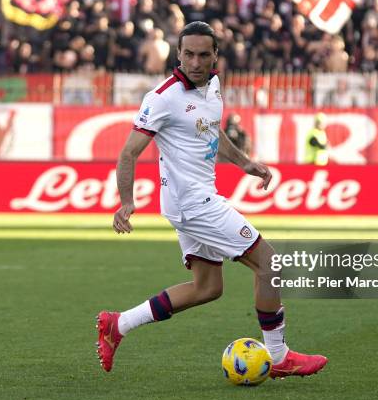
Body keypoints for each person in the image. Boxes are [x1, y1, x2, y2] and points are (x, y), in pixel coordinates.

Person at [96, 21, 327, 379]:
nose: (195, 61)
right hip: (192, 202)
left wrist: (245, 162)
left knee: (208, 288)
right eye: (188, 53)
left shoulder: (214, 86)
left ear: (216, 56)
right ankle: (279, 357)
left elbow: (211, 130)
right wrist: (126, 202)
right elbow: (128, 154)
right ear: (178, 54)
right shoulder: (163, 97)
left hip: (197, 199)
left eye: (204, 54)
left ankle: (117, 325)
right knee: (270, 264)